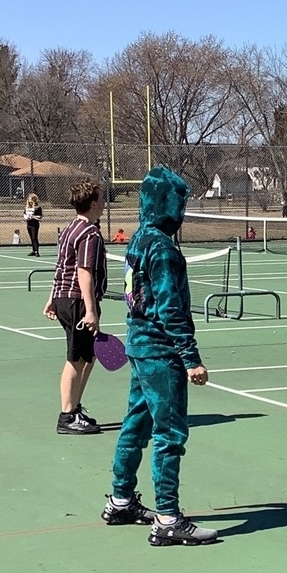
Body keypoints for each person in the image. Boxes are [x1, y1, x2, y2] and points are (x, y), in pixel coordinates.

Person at [103, 167, 217, 546]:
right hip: (159, 351)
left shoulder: (138, 240)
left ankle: (121, 500)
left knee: (135, 425)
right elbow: (171, 308)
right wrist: (190, 358)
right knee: (169, 434)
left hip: (138, 344)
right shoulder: (164, 249)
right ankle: (168, 517)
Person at [43, 179, 107, 435]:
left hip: (65, 298)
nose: (104, 202)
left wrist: (52, 297)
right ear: (93, 203)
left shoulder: (70, 228)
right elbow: (83, 271)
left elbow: (62, 266)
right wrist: (90, 310)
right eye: (102, 198)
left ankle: (75, 409)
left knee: (89, 357)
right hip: (76, 301)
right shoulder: (88, 233)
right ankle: (67, 416)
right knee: (77, 359)